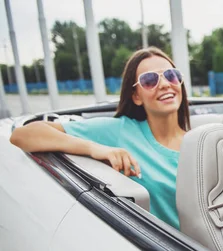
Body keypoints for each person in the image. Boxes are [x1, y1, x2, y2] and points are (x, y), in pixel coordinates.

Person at [10, 46, 190, 230]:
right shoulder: (120, 130)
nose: (165, 84)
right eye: (149, 80)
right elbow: (23, 135)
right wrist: (95, 148)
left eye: (171, 75)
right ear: (136, 96)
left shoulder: (203, 143)